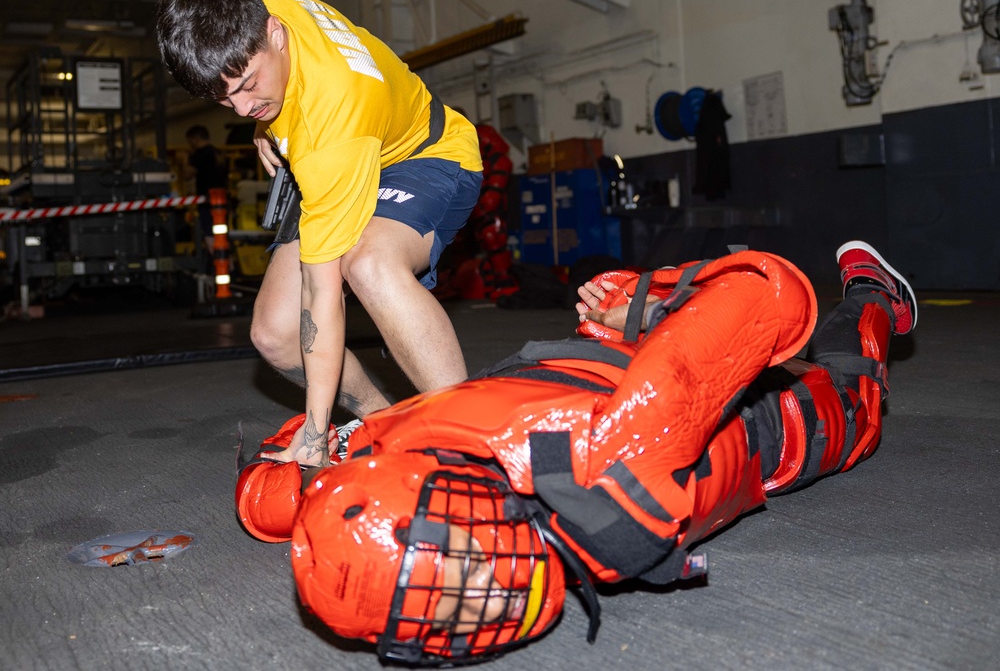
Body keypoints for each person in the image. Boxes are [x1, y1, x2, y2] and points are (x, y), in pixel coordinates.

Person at [234, 240, 916, 665]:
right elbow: (264, 501)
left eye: (456, 576)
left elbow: (773, 291)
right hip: (621, 377)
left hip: (746, 417)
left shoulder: (612, 462)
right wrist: (641, 314)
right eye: (439, 617)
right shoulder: (389, 456)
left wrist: (646, 307)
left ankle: (873, 296)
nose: (479, 606)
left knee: (853, 399)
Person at [156, 0, 483, 462]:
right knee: (276, 335)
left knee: (368, 265)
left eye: (249, 85)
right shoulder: (252, 3)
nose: (241, 107)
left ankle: (471, 443)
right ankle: (381, 424)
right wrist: (264, 121)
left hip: (424, 153)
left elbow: (321, 293)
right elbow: (251, 83)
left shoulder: (331, 120)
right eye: (224, 97)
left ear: (275, 33)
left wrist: (313, 433)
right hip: (339, 149)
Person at [181, 124, 229, 256]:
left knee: (209, 233)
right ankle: (227, 262)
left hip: (207, 201)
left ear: (195, 139)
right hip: (222, 199)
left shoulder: (200, 154)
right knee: (222, 233)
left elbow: (187, 174)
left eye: (190, 141)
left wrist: (185, 160)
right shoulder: (218, 153)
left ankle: (217, 259)